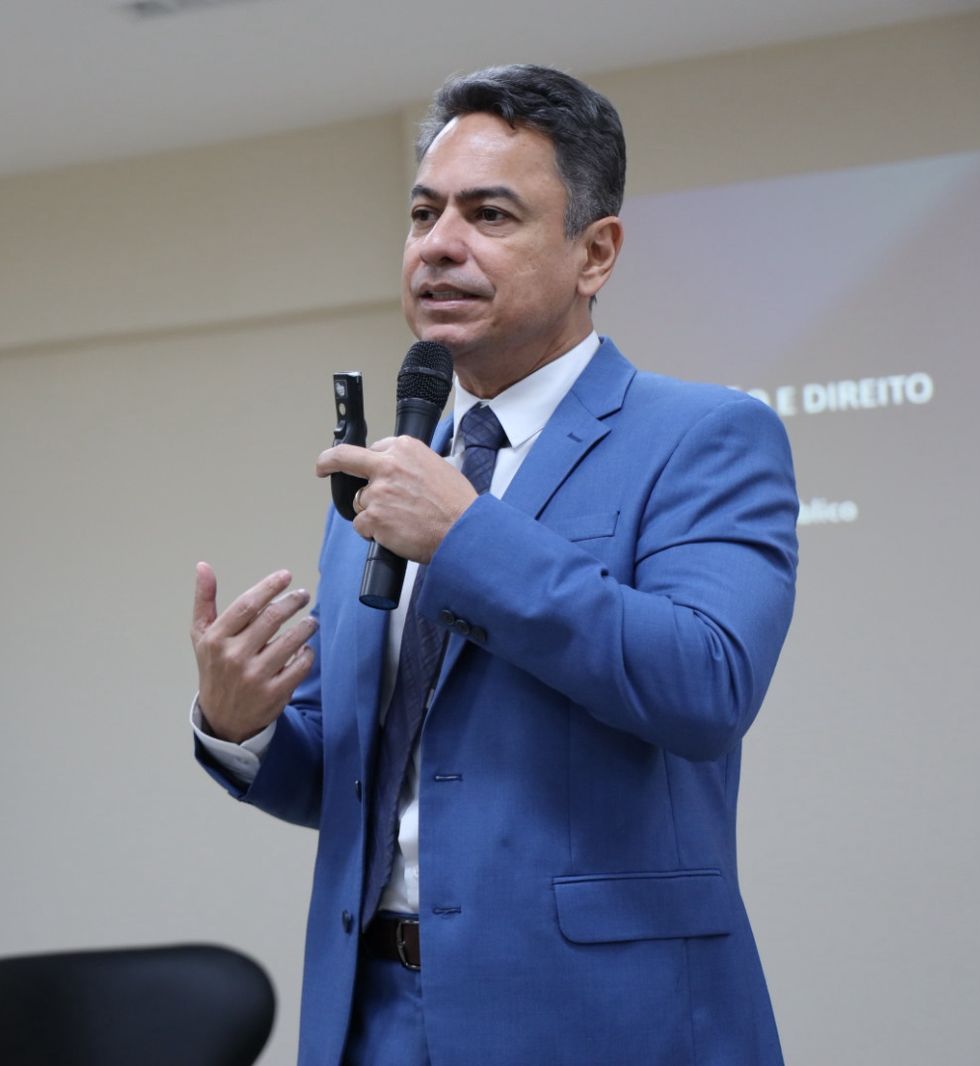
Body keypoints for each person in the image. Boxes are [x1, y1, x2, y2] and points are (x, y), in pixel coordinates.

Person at [190, 64, 796, 1065]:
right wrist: (242, 725)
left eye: (489, 214)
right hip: (373, 1016)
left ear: (595, 252)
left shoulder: (704, 436)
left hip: (601, 1023)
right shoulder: (388, 477)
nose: (438, 243)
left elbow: (705, 686)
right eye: (423, 212)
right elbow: (363, 783)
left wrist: (466, 537)